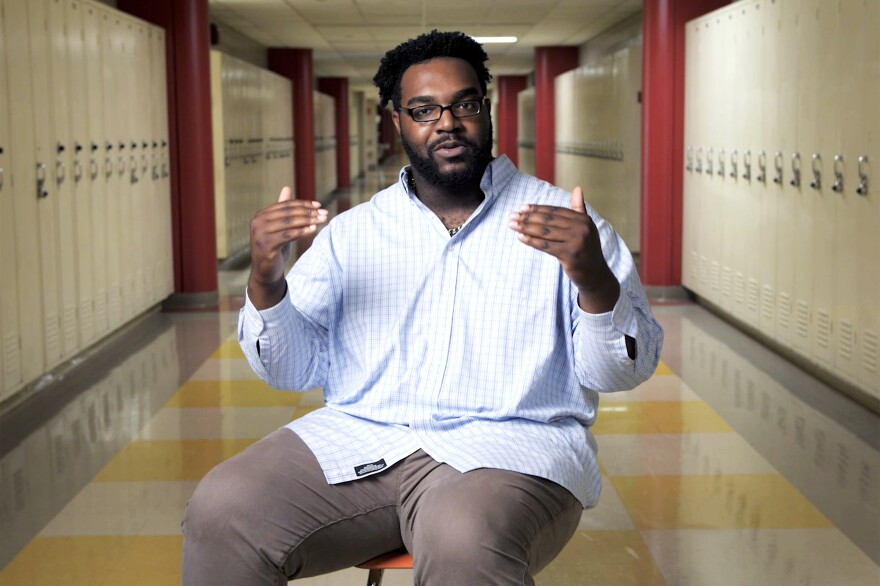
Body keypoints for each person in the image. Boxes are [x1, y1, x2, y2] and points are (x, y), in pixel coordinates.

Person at [182, 30, 663, 586]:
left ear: (487, 108)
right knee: (222, 507)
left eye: (466, 104)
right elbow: (292, 370)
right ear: (398, 122)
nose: (448, 122)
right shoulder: (353, 233)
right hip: (365, 435)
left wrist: (594, 278)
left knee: (461, 534)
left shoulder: (567, 224)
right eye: (424, 109)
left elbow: (623, 371)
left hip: (510, 447)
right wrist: (267, 280)